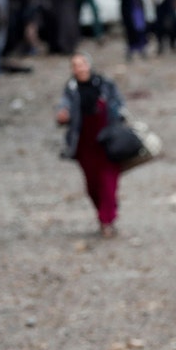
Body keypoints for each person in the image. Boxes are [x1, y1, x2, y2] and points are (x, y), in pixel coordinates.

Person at [54, 52, 125, 238]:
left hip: (107, 142)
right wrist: (62, 115)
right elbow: (63, 107)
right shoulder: (71, 88)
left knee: (108, 182)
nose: (80, 68)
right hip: (84, 144)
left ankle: (107, 220)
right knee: (92, 185)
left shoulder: (104, 84)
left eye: (83, 63)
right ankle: (104, 214)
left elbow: (119, 104)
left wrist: (116, 113)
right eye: (76, 65)